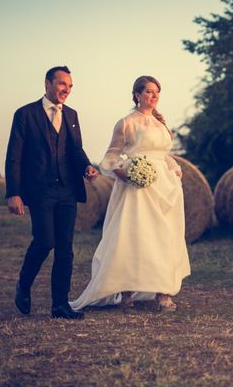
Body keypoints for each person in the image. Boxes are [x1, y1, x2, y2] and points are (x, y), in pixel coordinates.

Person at [70, 75, 190, 313]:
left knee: (164, 236)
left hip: (165, 186)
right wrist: (124, 174)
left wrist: (175, 168)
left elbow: (163, 154)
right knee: (133, 236)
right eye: (148, 92)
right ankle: (126, 293)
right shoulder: (126, 123)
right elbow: (111, 157)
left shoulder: (161, 124)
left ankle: (163, 292)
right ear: (136, 94)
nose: (153, 96)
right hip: (136, 187)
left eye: (157, 92)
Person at [5, 66, 99, 320]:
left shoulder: (72, 115)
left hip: (68, 189)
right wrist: (13, 193)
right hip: (40, 191)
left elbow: (76, 150)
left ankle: (60, 305)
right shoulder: (25, 114)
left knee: (65, 248)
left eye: (70, 86)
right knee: (45, 241)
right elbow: (14, 156)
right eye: (62, 84)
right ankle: (24, 285)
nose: (66, 90)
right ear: (48, 84)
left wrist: (87, 166)